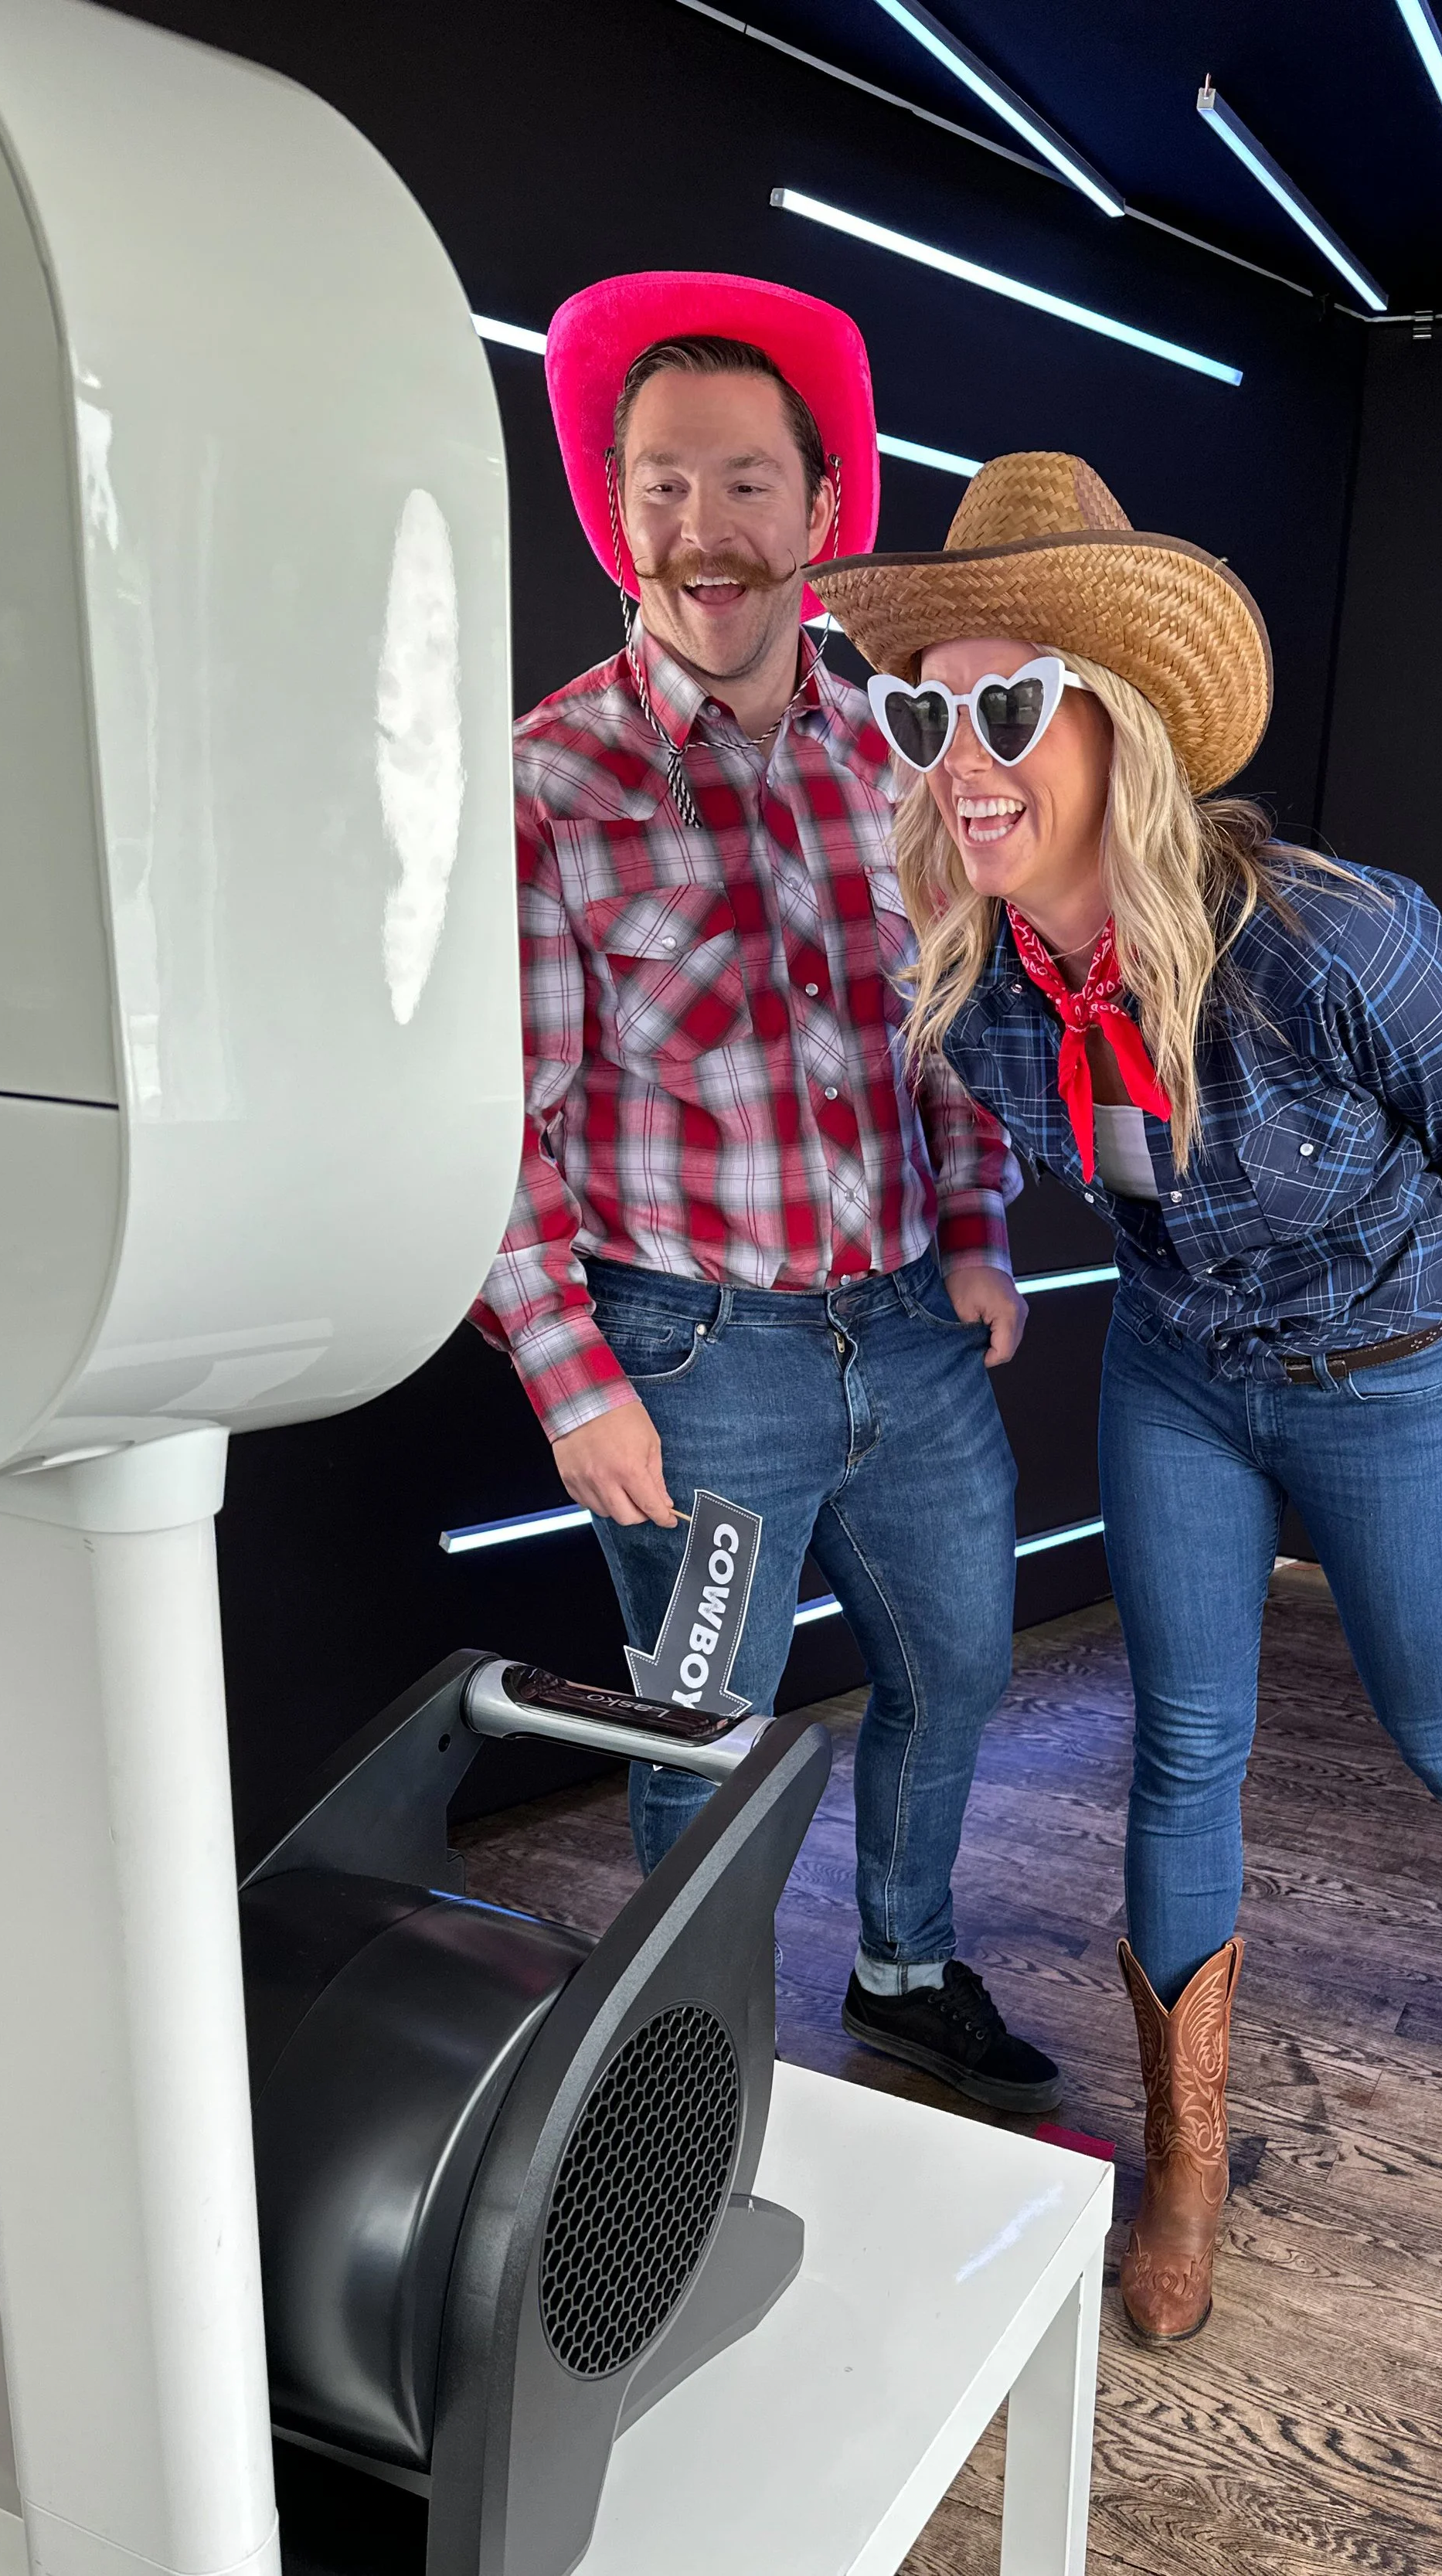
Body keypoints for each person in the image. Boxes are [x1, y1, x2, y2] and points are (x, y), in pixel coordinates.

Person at [811, 450, 1442, 2338]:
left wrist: (1368, 1279)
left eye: (1005, 702)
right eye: (931, 707)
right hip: (1177, 1377)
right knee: (1182, 1747)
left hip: (1382, 1379)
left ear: (1117, 725)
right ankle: (1181, 2166)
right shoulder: (987, 976)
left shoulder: (1339, 941)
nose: (958, 751)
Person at [472, 275, 1060, 2115]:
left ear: (822, 509)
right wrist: (572, 1378)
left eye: (744, 483)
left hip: (905, 1322)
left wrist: (972, 1230)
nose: (701, 531)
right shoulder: (548, 780)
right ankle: (679, 2041)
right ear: (615, 504)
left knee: (958, 1660)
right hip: (693, 1353)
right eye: (660, 484)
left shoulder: (900, 749)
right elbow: (501, 1117)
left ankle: (898, 1963)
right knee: (695, 1729)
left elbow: (948, 1018)